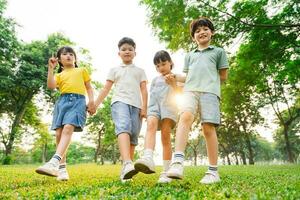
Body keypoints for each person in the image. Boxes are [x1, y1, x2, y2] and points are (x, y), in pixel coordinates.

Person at [165, 17, 229, 184]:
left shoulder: (218, 52)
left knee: (208, 128)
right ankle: (177, 162)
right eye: (198, 31)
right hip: (190, 91)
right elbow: (187, 77)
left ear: (212, 32)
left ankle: (213, 172)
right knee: (185, 117)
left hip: (210, 92)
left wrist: (208, 81)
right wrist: (175, 76)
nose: (202, 32)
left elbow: (223, 76)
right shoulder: (190, 55)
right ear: (194, 37)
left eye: (205, 29)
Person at [36, 46, 96, 181]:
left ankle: (53, 162)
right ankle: (62, 170)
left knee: (68, 128)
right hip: (62, 103)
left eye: (71, 54)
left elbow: (89, 87)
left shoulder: (81, 70)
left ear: (75, 58)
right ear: (60, 60)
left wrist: (91, 102)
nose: (68, 56)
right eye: (64, 54)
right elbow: (51, 86)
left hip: (78, 101)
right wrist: (50, 68)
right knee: (58, 134)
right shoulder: (59, 75)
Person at [94, 37, 148, 182]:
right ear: (119, 53)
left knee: (133, 136)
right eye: (123, 49)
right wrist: (96, 104)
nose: (127, 51)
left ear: (135, 53)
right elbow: (106, 88)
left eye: (130, 49)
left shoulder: (140, 71)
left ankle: (126, 172)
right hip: (119, 102)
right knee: (124, 127)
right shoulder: (114, 70)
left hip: (136, 105)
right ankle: (127, 163)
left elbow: (144, 90)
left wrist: (144, 107)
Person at [134, 50, 180, 183]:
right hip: (154, 108)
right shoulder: (154, 80)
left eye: (163, 64)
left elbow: (179, 93)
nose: (161, 68)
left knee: (165, 136)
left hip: (169, 108)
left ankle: (166, 171)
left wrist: (173, 83)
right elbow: (151, 96)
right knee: (151, 125)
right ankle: (148, 156)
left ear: (170, 63)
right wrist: (146, 109)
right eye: (158, 66)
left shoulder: (176, 77)